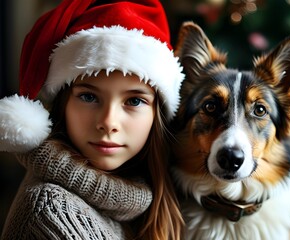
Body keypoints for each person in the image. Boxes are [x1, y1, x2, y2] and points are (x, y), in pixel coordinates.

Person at [0, 0, 185, 239]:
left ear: (156, 115)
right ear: (63, 104)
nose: (109, 122)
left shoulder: (153, 202)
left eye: (135, 101)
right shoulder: (49, 210)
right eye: (88, 96)